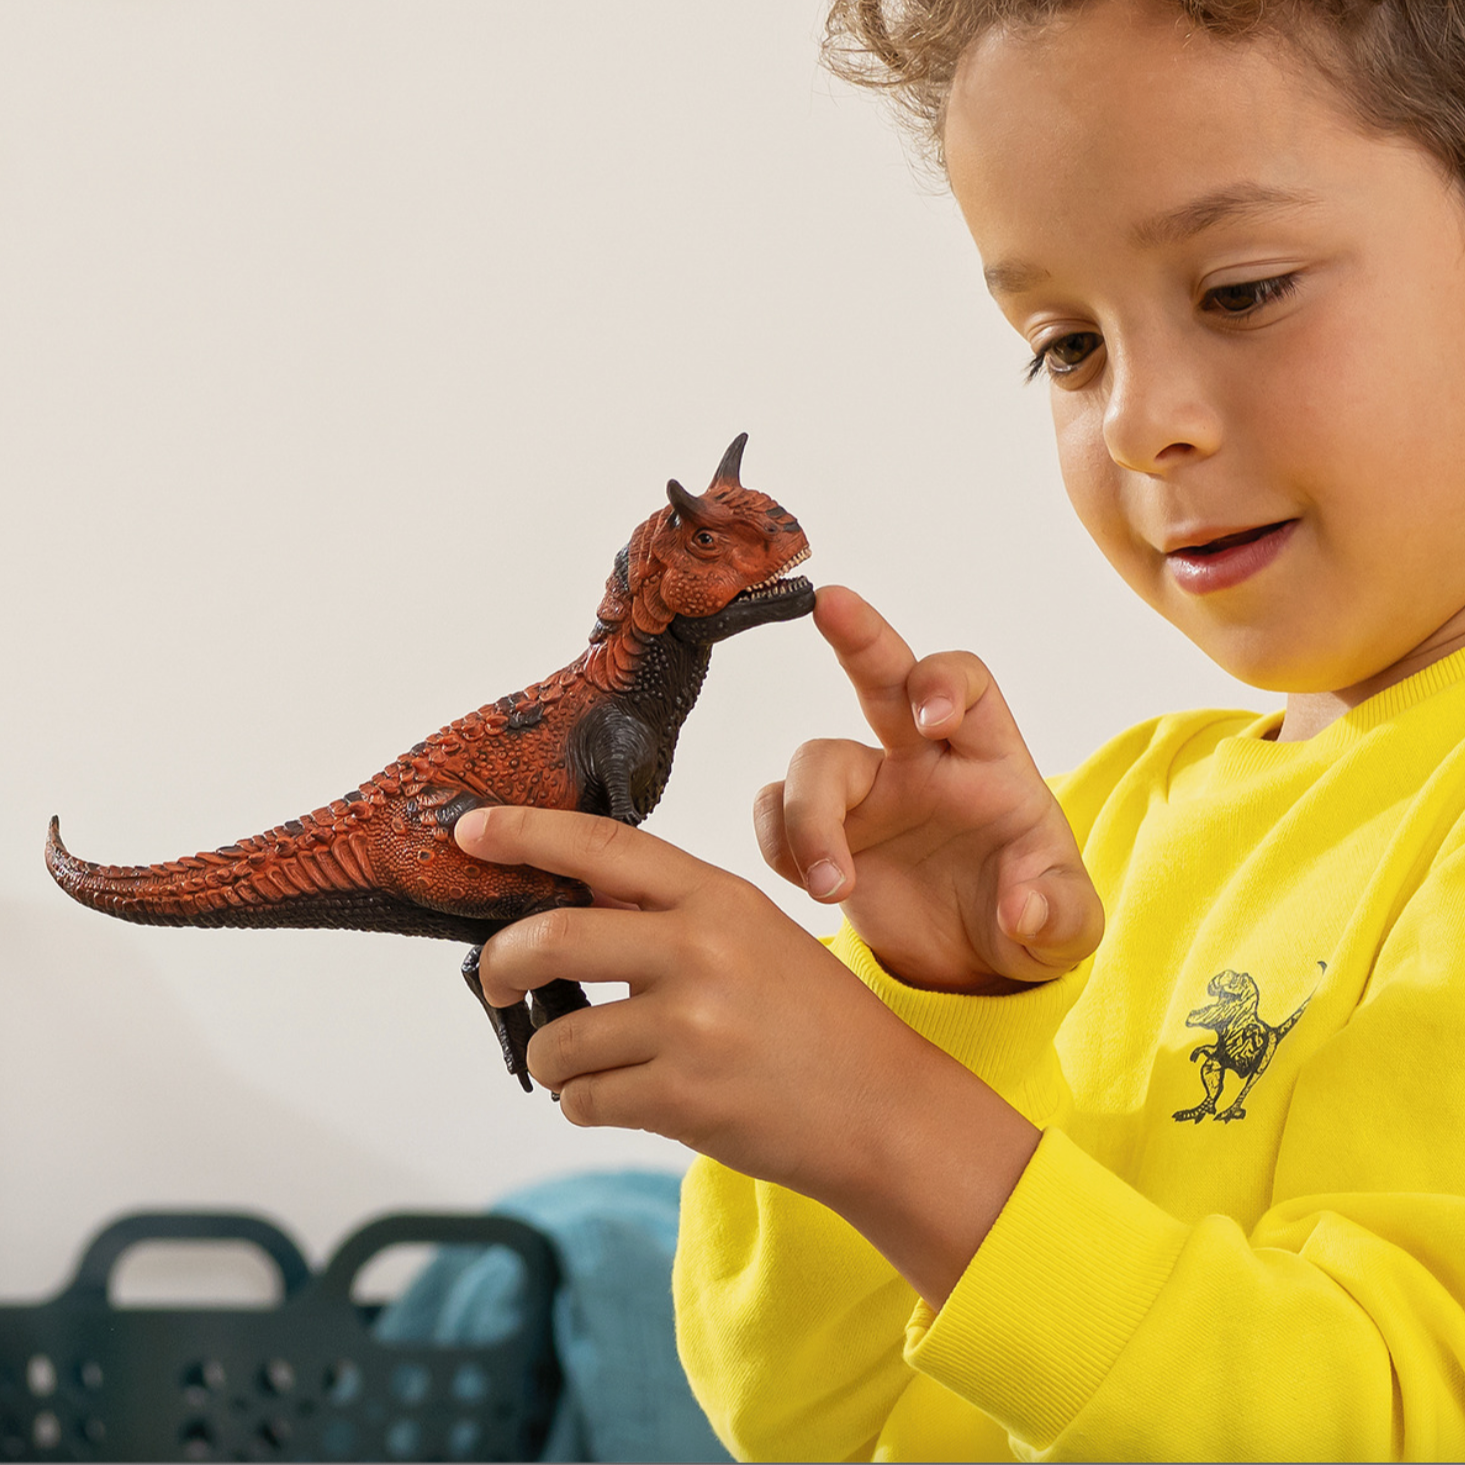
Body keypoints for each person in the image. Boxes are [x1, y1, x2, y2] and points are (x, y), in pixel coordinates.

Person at [453, 0, 1465, 1456]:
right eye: (1067, 345)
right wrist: (934, 1020)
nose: (1135, 421)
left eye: (1241, 290)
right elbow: (827, 1428)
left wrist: (890, 1119)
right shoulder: (1104, 830)